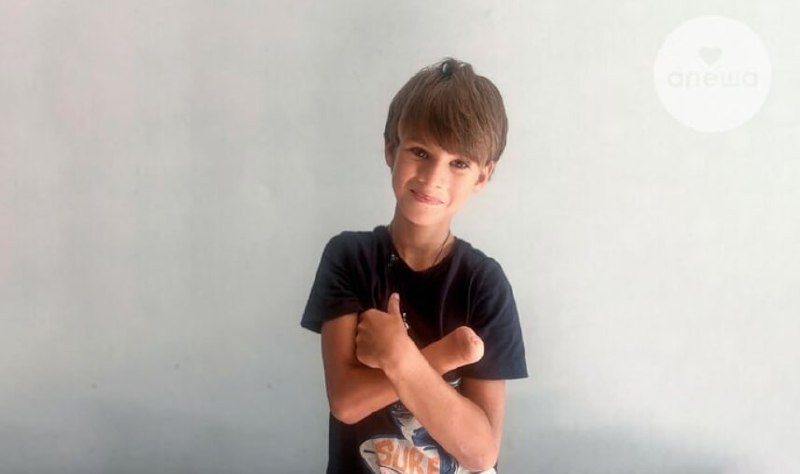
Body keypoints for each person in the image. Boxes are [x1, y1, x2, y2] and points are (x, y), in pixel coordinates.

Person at [301, 57, 527, 473]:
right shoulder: (349, 257)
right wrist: (442, 356)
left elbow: (481, 453)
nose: (433, 177)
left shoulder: (485, 284)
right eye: (420, 152)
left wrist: (400, 356)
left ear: (482, 176)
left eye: (459, 163)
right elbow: (347, 402)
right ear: (391, 148)